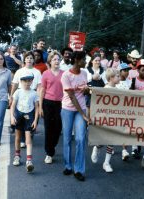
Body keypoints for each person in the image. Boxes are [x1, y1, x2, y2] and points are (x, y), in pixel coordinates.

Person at [61, 51, 89, 181]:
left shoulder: (84, 73)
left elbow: (85, 90)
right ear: (77, 60)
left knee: (80, 139)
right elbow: (72, 96)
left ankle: (79, 169)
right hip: (68, 109)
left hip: (81, 108)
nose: (86, 61)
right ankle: (68, 166)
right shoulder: (66, 75)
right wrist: (84, 115)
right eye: (84, 59)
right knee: (67, 138)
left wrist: (87, 89)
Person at [91, 68, 120, 173]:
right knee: (102, 140)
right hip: (105, 119)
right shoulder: (105, 89)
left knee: (111, 141)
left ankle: (106, 162)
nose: (119, 77)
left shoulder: (119, 89)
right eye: (117, 76)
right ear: (111, 78)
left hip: (115, 119)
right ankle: (96, 147)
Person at [10, 51, 42, 147]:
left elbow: (39, 86)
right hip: (20, 95)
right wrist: (11, 96)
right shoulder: (19, 71)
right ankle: (23, 139)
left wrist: (39, 99)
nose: (29, 60)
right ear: (24, 60)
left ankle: (29, 135)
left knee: (31, 117)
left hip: (32, 95)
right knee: (21, 116)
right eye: (27, 58)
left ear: (33, 60)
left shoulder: (37, 72)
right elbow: (15, 84)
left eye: (31, 58)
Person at [11, 71, 39, 173]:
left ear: (32, 81)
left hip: (29, 117)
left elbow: (36, 108)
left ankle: (29, 160)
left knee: (28, 139)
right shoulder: (18, 92)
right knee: (18, 137)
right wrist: (12, 117)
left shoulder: (34, 93)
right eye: (25, 81)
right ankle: (17, 156)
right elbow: (13, 105)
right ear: (21, 81)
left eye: (29, 81)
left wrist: (35, 121)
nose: (27, 83)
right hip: (19, 116)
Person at [39, 51, 64, 164]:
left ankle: (52, 145)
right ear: (50, 61)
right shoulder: (45, 74)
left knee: (58, 128)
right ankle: (49, 153)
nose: (57, 61)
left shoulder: (64, 74)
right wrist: (40, 107)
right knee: (48, 128)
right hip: (48, 103)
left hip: (61, 104)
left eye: (58, 59)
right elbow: (42, 90)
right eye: (54, 59)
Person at [130, 59, 144, 158]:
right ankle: (134, 147)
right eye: (143, 70)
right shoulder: (134, 80)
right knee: (135, 127)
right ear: (138, 70)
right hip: (136, 109)